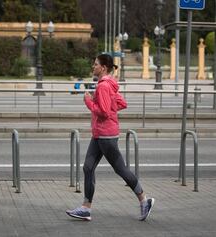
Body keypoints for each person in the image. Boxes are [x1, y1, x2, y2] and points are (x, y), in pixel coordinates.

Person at [66, 54, 155, 221]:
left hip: (106, 135)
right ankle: (86, 208)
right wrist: (102, 103)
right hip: (99, 133)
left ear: (103, 68)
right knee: (88, 167)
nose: (93, 67)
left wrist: (89, 101)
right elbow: (121, 104)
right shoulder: (109, 86)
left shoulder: (104, 87)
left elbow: (105, 111)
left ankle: (144, 200)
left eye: (95, 64)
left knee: (120, 169)